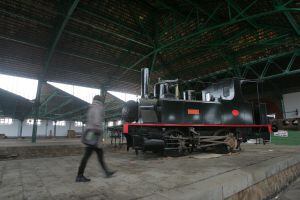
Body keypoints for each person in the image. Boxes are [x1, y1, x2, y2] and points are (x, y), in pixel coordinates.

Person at [76, 95, 116, 182]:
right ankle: (79, 175)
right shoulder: (98, 107)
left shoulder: (91, 107)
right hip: (95, 134)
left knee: (98, 155)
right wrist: (99, 132)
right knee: (88, 155)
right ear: (100, 100)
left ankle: (106, 172)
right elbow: (97, 121)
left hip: (90, 133)